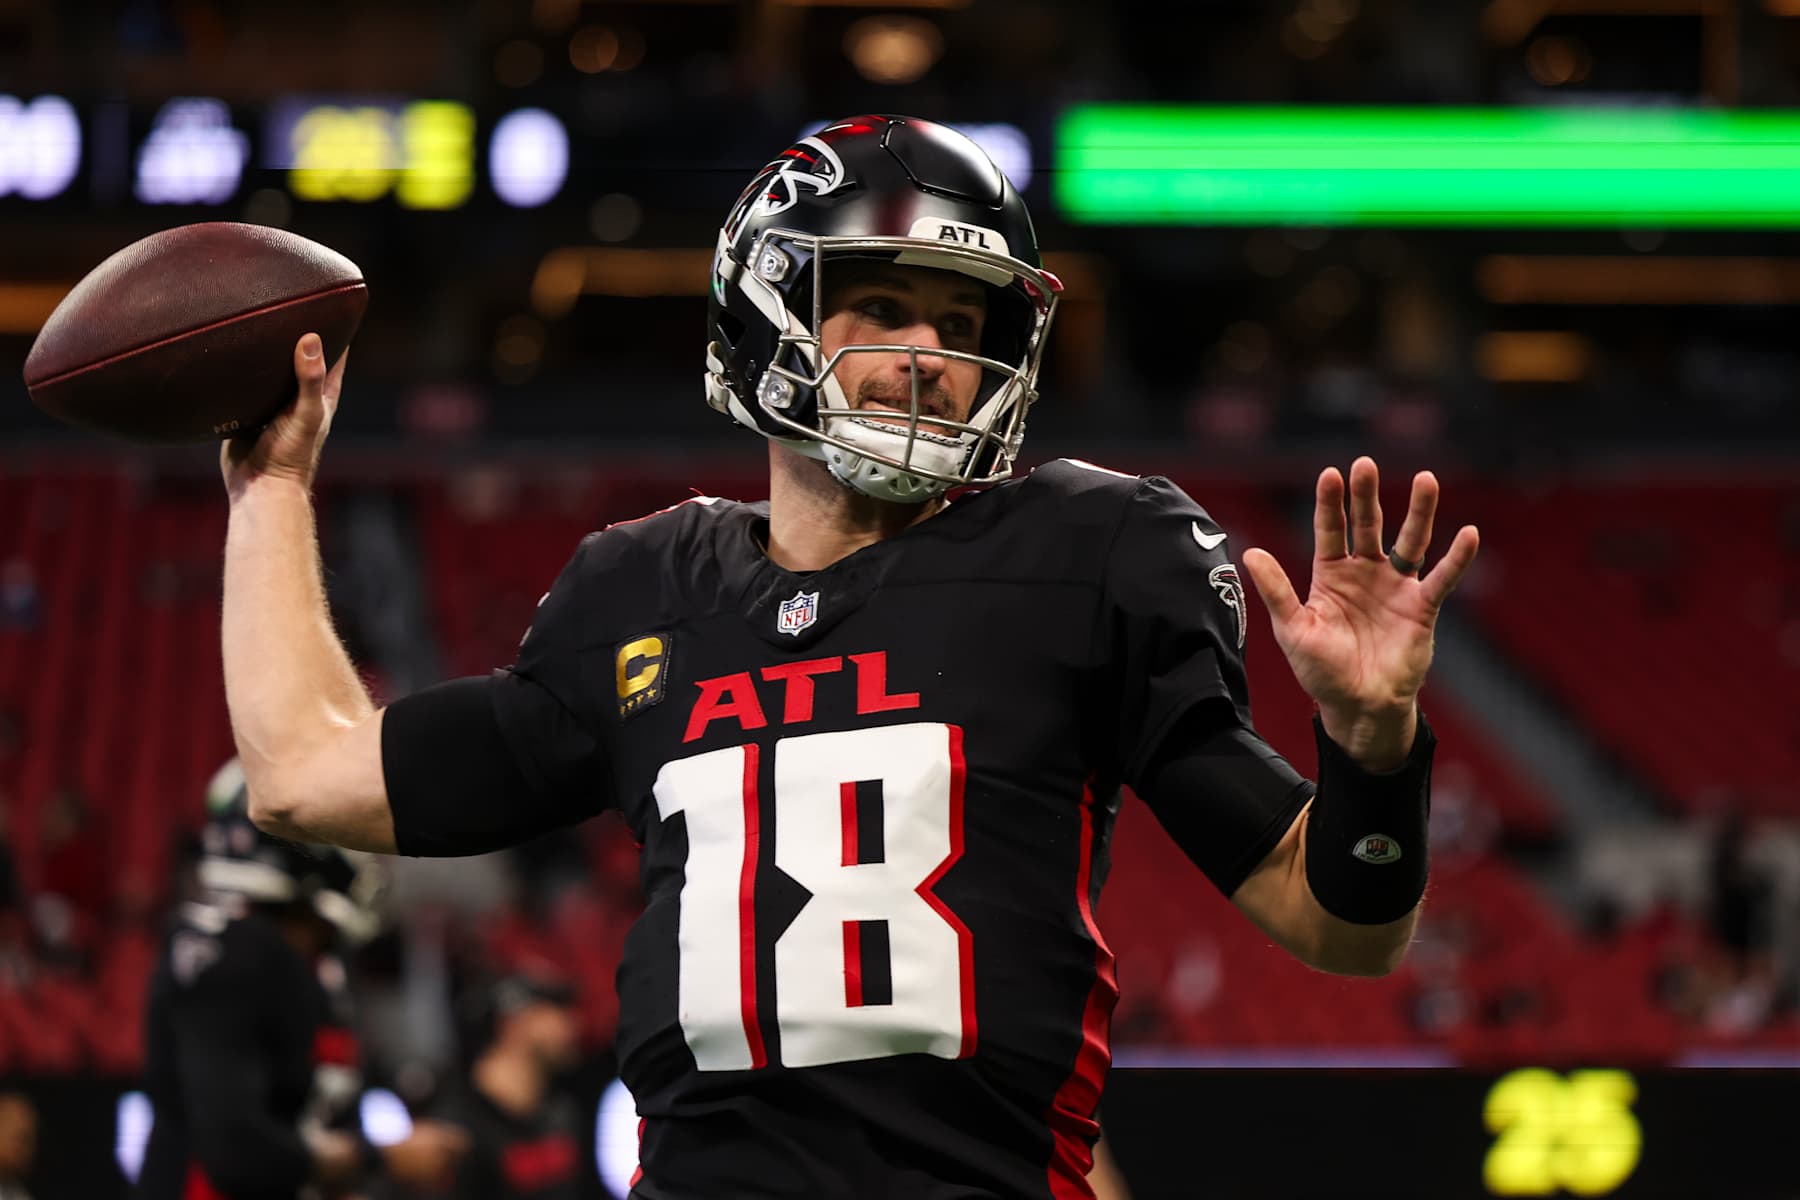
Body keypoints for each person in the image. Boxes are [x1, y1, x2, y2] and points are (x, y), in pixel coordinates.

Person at [219, 114, 1480, 1198]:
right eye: (882, 307)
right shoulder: (643, 593)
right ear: (768, 308)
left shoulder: (1087, 554)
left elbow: (1344, 925)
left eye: (962, 320)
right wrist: (271, 490)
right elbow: (305, 776)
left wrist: (1373, 750)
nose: (930, 358)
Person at [136, 760, 468, 1199]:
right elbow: (235, 1150)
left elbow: (318, 1114)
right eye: (346, 828)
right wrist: (379, 1159)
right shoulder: (227, 954)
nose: (365, 848)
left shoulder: (311, 956)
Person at [426, 970, 584, 1200]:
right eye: (555, 1011)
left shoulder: (560, 1113)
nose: (572, 1024)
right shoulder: (454, 1122)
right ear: (513, 1023)